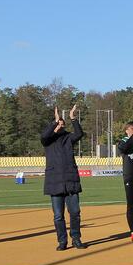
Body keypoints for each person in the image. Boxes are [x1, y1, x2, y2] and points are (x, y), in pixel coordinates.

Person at [41, 105, 86, 251]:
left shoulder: (68, 138)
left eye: (62, 123)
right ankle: (62, 241)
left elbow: (79, 133)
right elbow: (44, 136)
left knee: (75, 213)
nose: (60, 125)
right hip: (55, 183)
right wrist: (55, 121)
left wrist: (73, 117)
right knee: (58, 216)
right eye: (58, 123)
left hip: (70, 182)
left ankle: (76, 239)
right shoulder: (48, 141)